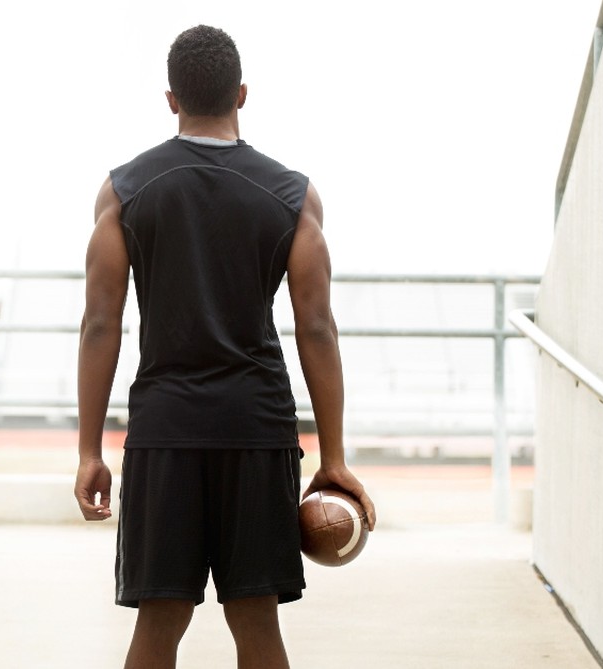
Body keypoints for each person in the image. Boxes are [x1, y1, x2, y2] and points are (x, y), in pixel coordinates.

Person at [73, 24, 378, 669]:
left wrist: (88, 449)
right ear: (242, 94)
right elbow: (316, 326)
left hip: (165, 429)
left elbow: (101, 322)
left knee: (158, 623)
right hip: (256, 428)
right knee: (257, 624)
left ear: (171, 98)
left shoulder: (124, 191)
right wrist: (335, 455)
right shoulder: (293, 196)